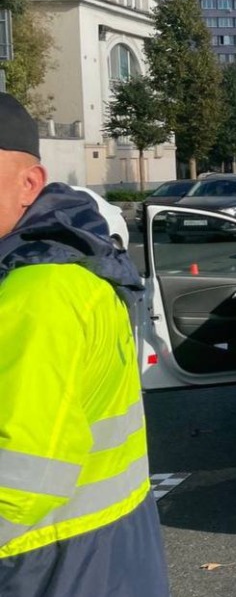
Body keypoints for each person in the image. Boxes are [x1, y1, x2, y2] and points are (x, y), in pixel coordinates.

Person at [0, 93, 169, 596]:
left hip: (50, 570)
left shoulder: (38, 294)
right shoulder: (68, 269)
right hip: (106, 557)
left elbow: (16, 488)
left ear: (29, 184)